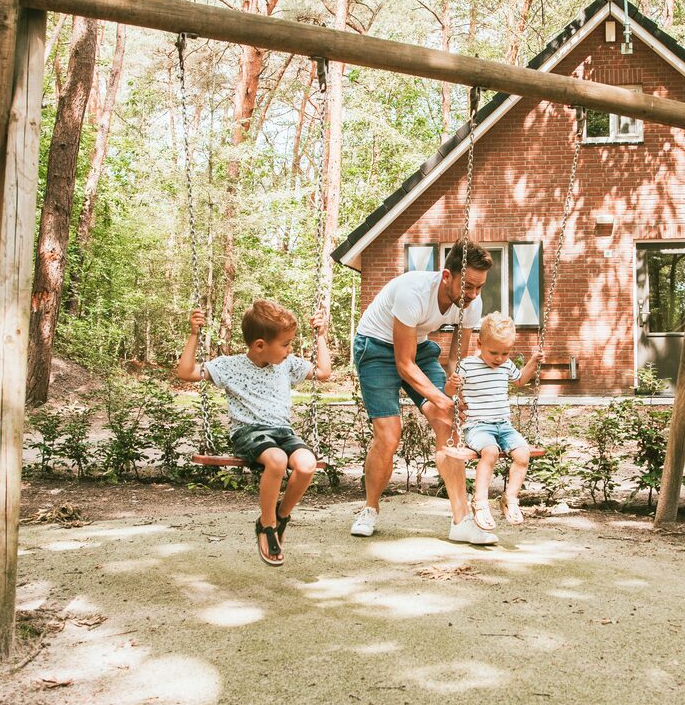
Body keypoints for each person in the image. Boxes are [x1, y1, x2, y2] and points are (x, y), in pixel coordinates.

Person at [350, 240, 496, 545]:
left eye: (479, 288)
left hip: (417, 348)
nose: (472, 295)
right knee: (389, 434)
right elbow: (403, 364)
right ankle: (369, 509)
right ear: (447, 276)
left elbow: (457, 358)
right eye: (467, 286)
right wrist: (441, 398)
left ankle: (461, 520)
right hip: (375, 348)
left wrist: (458, 392)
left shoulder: (471, 304)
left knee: (446, 420)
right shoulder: (412, 292)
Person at [178, 300, 332, 567]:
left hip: (282, 432)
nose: (289, 349)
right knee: (277, 461)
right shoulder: (229, 366)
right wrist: (193, 334)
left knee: (307, 465)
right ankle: (267, 524)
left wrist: (321, 336)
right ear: (260, 345)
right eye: (285, 344)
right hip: (249, 432)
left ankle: (281, 516)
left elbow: (323, 372)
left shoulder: (286, 364)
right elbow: (186, 372)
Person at [454, 312, 541, 528]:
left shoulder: (505, 365)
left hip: (503, 426)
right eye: (494, 352)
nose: (500, 358)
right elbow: (450, 391)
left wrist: (532, 362)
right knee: (490, 452)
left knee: (523, 454)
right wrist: (452, 383)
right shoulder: (467, 365)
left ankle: (509, 498)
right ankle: (480, 501)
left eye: (505, 352)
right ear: (480, 343)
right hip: (477, 426)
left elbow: (520, 380)